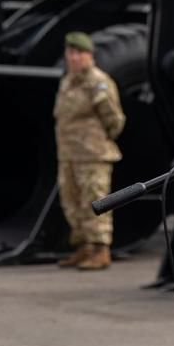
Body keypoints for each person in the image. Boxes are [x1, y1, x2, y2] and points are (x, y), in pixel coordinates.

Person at [54, 31, 125, 271]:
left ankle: (100, 250)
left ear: (89, 56)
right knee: (72, 203)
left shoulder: (98, 82)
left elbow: (114, 121)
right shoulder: (68, 81)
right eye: (70, 53)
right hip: (69, 155)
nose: (73, 58)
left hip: (92, 156)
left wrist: (95, 142)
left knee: (95, 202)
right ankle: (83, 247)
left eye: (78, 53)